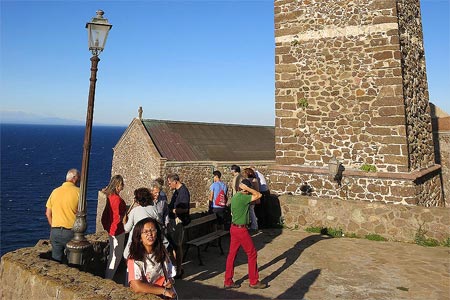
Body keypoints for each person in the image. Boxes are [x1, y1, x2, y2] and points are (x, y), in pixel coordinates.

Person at [224, 179, 267, 289]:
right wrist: (248, 188)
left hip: (233, 228)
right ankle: (254, 281)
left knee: (231, 255)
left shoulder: (235, 197)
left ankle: (228, 280)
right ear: (245, 189)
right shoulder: (243, 197)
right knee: (252, 253)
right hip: (241, 230)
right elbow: (259, 195)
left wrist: (244, 188)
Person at [128, 217, 177, 299]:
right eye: (145, 232)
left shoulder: (162, 251)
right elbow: (136, 286)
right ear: (139, 237)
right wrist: (163, 291)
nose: (150, 234)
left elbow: (169, 272)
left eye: (152, 230)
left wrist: (171, 281)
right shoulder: (134, 258)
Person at [45, 168, 80, 263]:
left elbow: (48, 213)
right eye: (78, 177)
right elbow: (82, 213)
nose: (79, 180)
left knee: (56, 262)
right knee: (73, 262)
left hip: (55, 231)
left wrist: (53, 226)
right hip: (71, 232)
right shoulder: (79, 193)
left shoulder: (55, 192)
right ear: (74, 178)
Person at [123, 187, 160, 259]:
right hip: (150, 240)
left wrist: (124, 221)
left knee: (128, 256)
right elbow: (158, 221)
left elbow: (126, 229)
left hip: (137, 241)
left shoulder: (134, 211)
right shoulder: (153, 209)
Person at [167, 173, 190, 279]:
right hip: (174, 220)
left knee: (177, 245)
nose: (169, 185)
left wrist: (174, 210)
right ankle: (178, 268)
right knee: (174, 245)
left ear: (175, 182)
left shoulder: (183, 192)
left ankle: (179, 269)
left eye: (169, 183)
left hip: (178, 221)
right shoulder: (177, 191)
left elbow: (185, 208)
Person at [103, 175, 127, 280]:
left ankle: (108, 276)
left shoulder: (109, 196)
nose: (122, 187)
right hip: (117, 231)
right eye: (121, 185)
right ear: (117, 185)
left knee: (113, 255)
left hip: (110, 229)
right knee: (116, 256)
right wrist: (125, 216)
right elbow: (117, 217)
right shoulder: (117, 199)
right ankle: (109, 278)